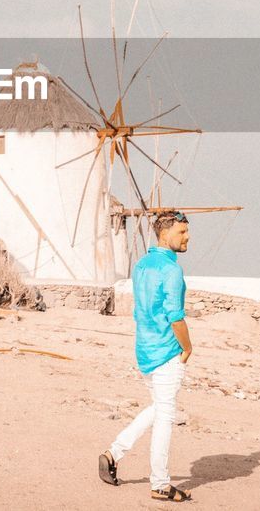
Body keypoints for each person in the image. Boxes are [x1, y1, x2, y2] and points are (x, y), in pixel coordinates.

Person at [98, 210, 193, 502]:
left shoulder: (140, 265)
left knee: (159, 407)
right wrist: (187, 347)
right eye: (181, 232)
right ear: (164, 234)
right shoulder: (171, 270)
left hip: (144, 349)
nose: (187, 237)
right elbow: (175, 316)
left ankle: (113, 453)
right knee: (166, 415)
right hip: (166, 351)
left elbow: (142, 309)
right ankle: (161, 484)